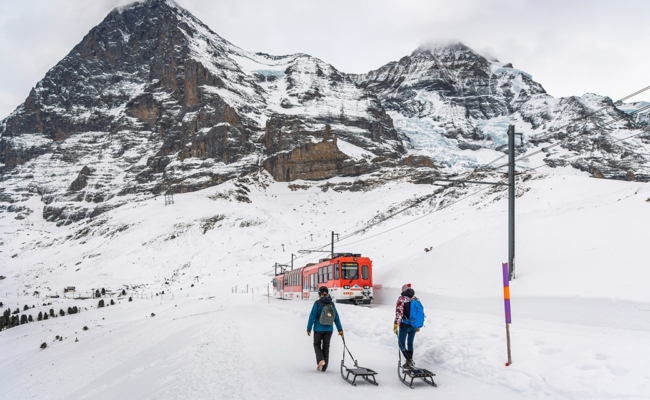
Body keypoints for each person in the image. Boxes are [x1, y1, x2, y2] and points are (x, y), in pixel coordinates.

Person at [307, 286, 343, 372]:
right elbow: (336, 317)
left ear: (319, 294)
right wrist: (340, 330)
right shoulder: (331, 304)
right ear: (327, 293)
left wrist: (309, 328)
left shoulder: (317, 303)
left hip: (318, 329)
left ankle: (320, 360)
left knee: (316, 344)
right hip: (329, 329)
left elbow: (312, 316)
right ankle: (324, 367)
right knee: (326, 346)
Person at [393, 283, 420, 369]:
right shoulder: (416, 299)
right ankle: (409, 362)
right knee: (410, 344)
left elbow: (399, 313)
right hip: (414, 325)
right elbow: (419, 313)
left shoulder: (402, 299)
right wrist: (418, 325)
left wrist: (396, 324)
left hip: (404, 325)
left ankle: (409, 361)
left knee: (401, 344)